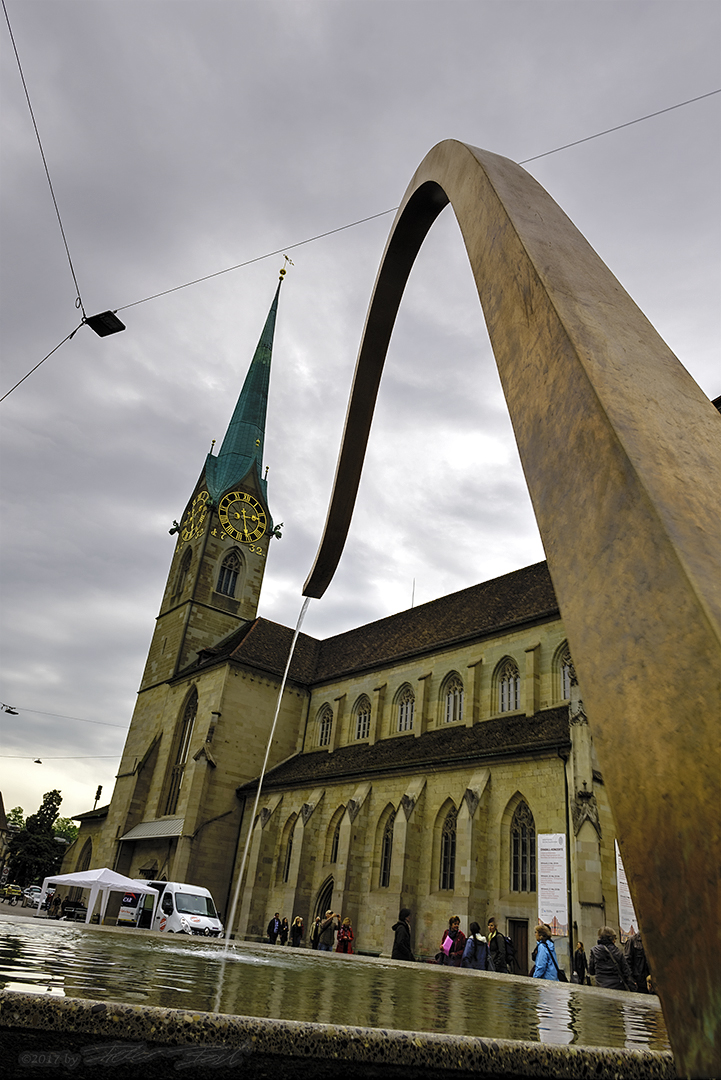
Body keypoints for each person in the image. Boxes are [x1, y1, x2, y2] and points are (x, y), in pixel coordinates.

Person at [589, 926, 636, 991]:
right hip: (617, 987)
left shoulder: (594, 950)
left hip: (601, 986)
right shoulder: (618, 951)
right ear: (612, 939)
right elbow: (626, 972)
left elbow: (591, 971)